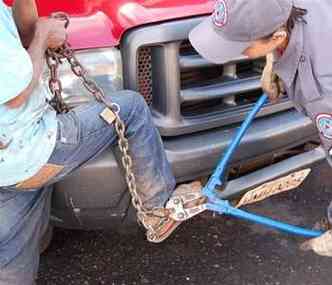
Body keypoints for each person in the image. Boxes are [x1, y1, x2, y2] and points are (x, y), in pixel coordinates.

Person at [0, 0, 203, 284]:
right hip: (33, 146)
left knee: (10, 263)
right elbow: (17, 91)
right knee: (129, 106)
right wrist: (44, 37)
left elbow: (23, 32)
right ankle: (157, 210)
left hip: (7, 167)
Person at [189, 0, 332, 256]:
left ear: (277, 36)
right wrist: (274, 60)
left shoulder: (323, 90)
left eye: (243, 48)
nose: (237, 54)